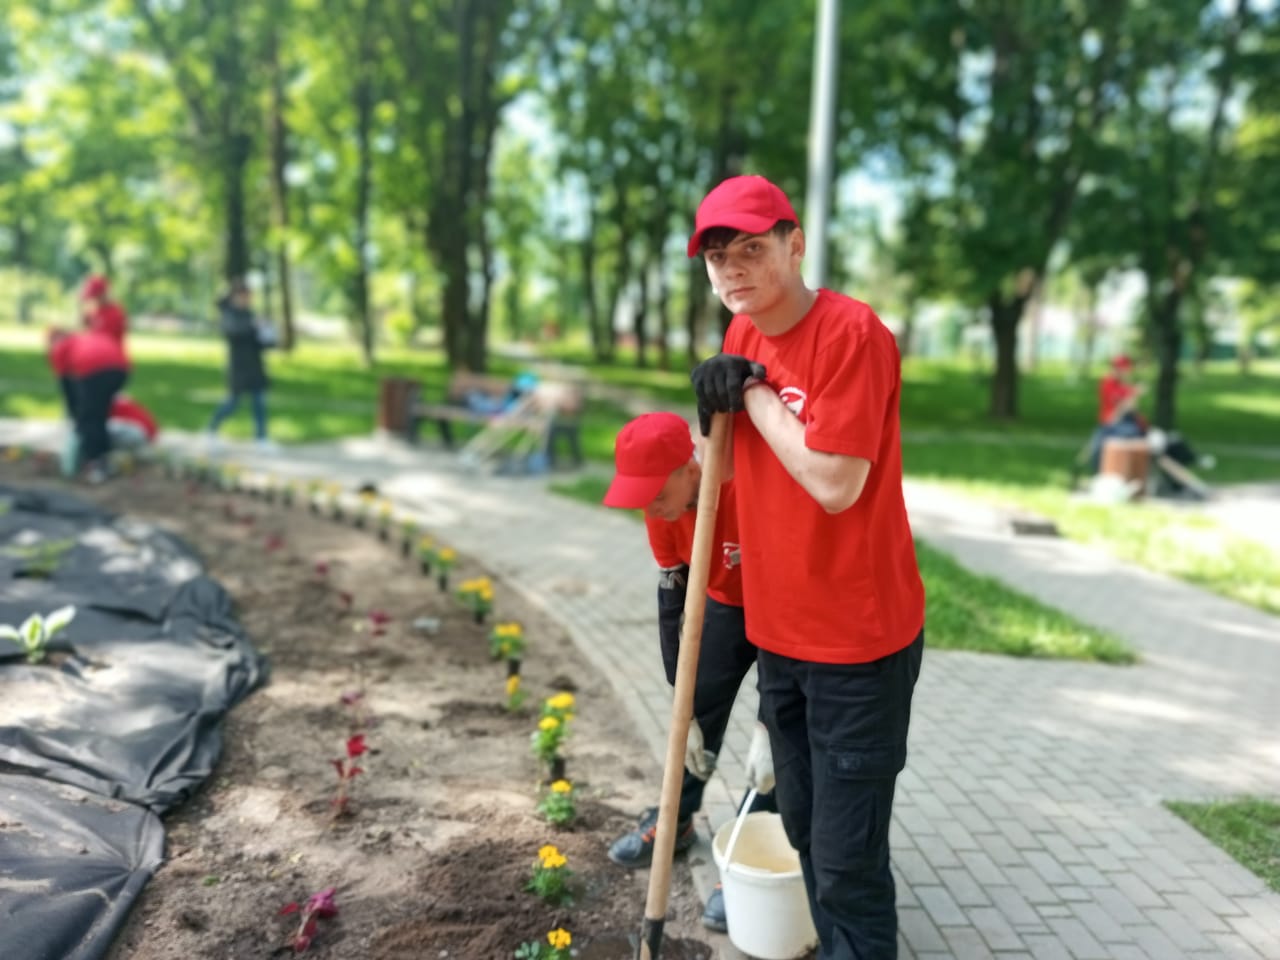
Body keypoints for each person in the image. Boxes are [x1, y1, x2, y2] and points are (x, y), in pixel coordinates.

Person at [686, 175, 925, 960]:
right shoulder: (741, 338)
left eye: (751, 250)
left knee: (850, 864)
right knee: (803, 827)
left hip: (858, 642)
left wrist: (752, 398)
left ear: (795, 245)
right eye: (717, 257)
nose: (732, 271)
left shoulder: (853, 335)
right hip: (781, 633)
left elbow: (833, 481)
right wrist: (710, 413)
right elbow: (727, 480)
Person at [601, 410, 774, 934]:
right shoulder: (661, 508)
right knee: (697, 713)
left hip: (782, 607)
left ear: (691, 469)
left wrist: (770, 720)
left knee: (780, 741)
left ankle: (748, 853)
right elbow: (673, 597)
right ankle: (675, 821)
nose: (647, 506)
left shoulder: (748, 490)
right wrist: (683, 692)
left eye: (655, 491)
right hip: (721, 602)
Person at [47, 328, 131, 483]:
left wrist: (75, 416)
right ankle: (105, 457)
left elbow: (66, 387)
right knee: (99, 415)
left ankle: (95, 464)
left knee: (90, 419)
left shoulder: (60, 349)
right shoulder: (84, 339)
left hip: (95, 370)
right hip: (121, 370)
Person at [207, 278, 274, 448]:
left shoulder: (250, 314)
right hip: (239, 367)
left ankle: (261, 437)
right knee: (232, 403)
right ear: (236, 296)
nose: (247, 299)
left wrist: (267, 336)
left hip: (255, 367)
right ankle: (211, 429)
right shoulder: (229, 315)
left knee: (259, 403)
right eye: (244, 295)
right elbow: (234, 333)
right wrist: (253, 326)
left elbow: (259, 342)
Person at [79, 274, 128, 345]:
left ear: (103, 295)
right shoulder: (97, 311)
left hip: (111, 353)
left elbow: (102, 339)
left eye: (95, 296)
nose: (93, 300)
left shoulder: (114, 313)